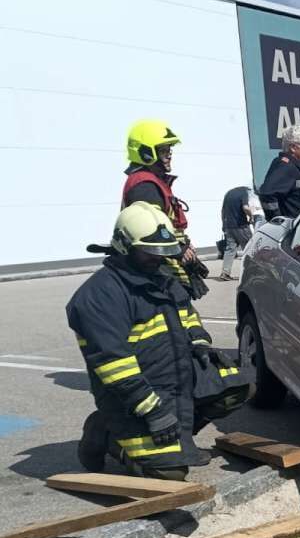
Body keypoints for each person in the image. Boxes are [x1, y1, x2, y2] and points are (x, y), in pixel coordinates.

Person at [67, 203, 252, 480]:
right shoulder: (99, 297)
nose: (158, 259)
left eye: (162, 252)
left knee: (239, 386)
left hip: (175, 375)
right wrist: (152, 411)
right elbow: (115, 367)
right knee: (171, 475)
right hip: (135, 396)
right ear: (124, 247)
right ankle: (108, 436)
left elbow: (186, 313)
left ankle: (178, 439)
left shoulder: (159, 276)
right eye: (149, 253)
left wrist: (200, 341)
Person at [121, 119, 209, 297]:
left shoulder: (153, 182)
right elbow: (152, 234)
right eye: (163, 150)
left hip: (164, 268)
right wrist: (180, 251)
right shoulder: (145, 186)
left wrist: (185, 243)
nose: (169, 155)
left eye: (169, 150)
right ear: (146, 153)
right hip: (159, 272)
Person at [259, 125, 300, 221]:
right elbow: (266, 194)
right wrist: (278, 223)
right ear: (293, 148)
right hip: (294, 232)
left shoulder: (294, 168)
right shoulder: (286, 166)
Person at [219, 185, 254, 281]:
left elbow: (222, 211)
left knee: (230, 250)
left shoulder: (228, 193)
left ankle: (225, 273)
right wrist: (251, 216)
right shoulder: (244, 193)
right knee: (249, 248)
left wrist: (224, 225)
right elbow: (245, 208)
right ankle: (251, 273)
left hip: (228, 226)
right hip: (241, 226)